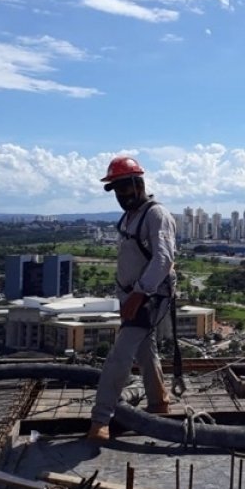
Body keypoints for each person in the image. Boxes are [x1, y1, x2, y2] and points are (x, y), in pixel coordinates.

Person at [88, 156, 176, 442]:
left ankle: (101, 419)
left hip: (149, 295)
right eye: (116, 190)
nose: (120, 196)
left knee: (120, 354)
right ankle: (159, 400)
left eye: (124, 188)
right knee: (144, 348)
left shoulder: (155, 214)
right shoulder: (130, 216)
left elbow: (163, 259)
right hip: (132, 294)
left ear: (138, 184)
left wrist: (139, 293)